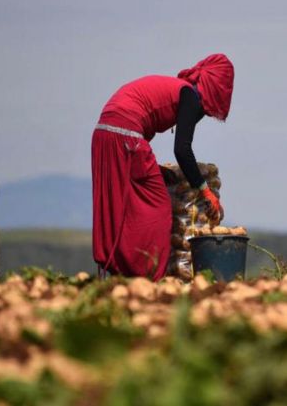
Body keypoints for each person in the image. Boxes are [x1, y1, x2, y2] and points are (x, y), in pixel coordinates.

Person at [91, 53, 234, 280]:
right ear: (217, 88)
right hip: (123, 135)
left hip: (105, 133)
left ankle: (120, 270)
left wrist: (153, 167)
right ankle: (147, 274)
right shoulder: (189, 95)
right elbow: (183, 151)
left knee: (125, 203)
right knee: (158, 207)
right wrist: (205, 191)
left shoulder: (178, 89)